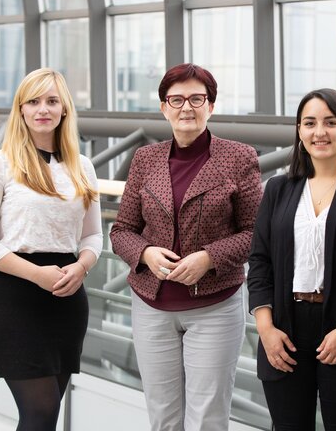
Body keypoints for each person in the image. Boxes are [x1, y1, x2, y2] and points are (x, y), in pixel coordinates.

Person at [110, 63, 262, 431]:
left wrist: (210, 258)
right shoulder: (145, 159)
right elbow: (121, 231)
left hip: (214, 305)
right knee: (163, 418)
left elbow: (256, 233)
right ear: (163, 107)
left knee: (207, 419)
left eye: (197, 98)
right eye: (176, 99)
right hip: (152, 306)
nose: (186, 108)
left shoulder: (238, 157)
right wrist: (145, 253)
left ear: (211, 105)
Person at [247, 88, 336, 430]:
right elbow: (260, 262)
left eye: (330, 122)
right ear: (299, 132)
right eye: (310, 123)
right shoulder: (278, 189)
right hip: (284, 329)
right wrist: (266, 329)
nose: (320, 132)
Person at [0, 68, 101, 430]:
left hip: (66, 297)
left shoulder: (83, 168)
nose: (44, 108)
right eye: (34, 101)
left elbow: (92, 237)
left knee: (48, 415)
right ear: (21, 110)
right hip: (12, 296)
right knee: (38, 412)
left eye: (52, 101)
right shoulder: (1, 163)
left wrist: (82, 267)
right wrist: (36, 274)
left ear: (65, 110)